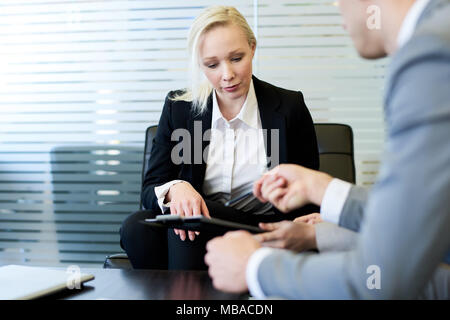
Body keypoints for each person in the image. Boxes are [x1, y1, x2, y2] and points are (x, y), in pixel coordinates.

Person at [205, 0, 450, 299]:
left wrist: (256, 267)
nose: (336, 4)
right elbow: (422, 219)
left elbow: (381, 280)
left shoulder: (431, 55)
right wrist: (325, 192)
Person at [119, 6, 319, 270]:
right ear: (200, 64)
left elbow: (308, 188)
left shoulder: (288, 106)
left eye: (237, 58)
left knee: (190, 219)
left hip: (258, 227)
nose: (227, 75)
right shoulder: (180, 109)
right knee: (136, 228)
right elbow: (150, 189)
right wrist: (176, 187)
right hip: (198, 224)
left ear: (252, 48)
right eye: (212, 65)